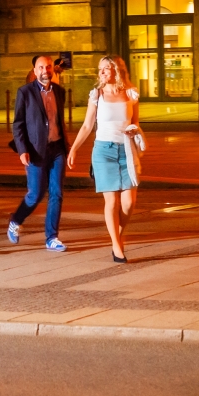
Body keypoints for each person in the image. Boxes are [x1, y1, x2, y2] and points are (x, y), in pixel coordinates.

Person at [68, 55, 141, 263]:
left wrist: (135, 131)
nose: (101, 72)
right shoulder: (97, 95)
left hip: (126, 151)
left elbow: (136, 122)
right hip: (103, 151)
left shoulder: (130, 94)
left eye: (106, 68)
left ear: (117, 70)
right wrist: (74, 149)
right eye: (100, 69)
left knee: (129, 203)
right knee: (112, 201)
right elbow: (86, 126)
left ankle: (116, 235)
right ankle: (117, 247)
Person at [8, 54, 68, 252]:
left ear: (52, 69)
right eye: (41, 67)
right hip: (35, 150)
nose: (45, 71)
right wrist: (22, 150)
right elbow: (18, 124)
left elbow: (59, 121)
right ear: (34, 71)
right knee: (35, 194)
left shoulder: (59, 91)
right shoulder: (25, 92)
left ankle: (52, 237)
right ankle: (16, 220)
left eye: (48, 67)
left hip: (57, 148)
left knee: (56, 193)